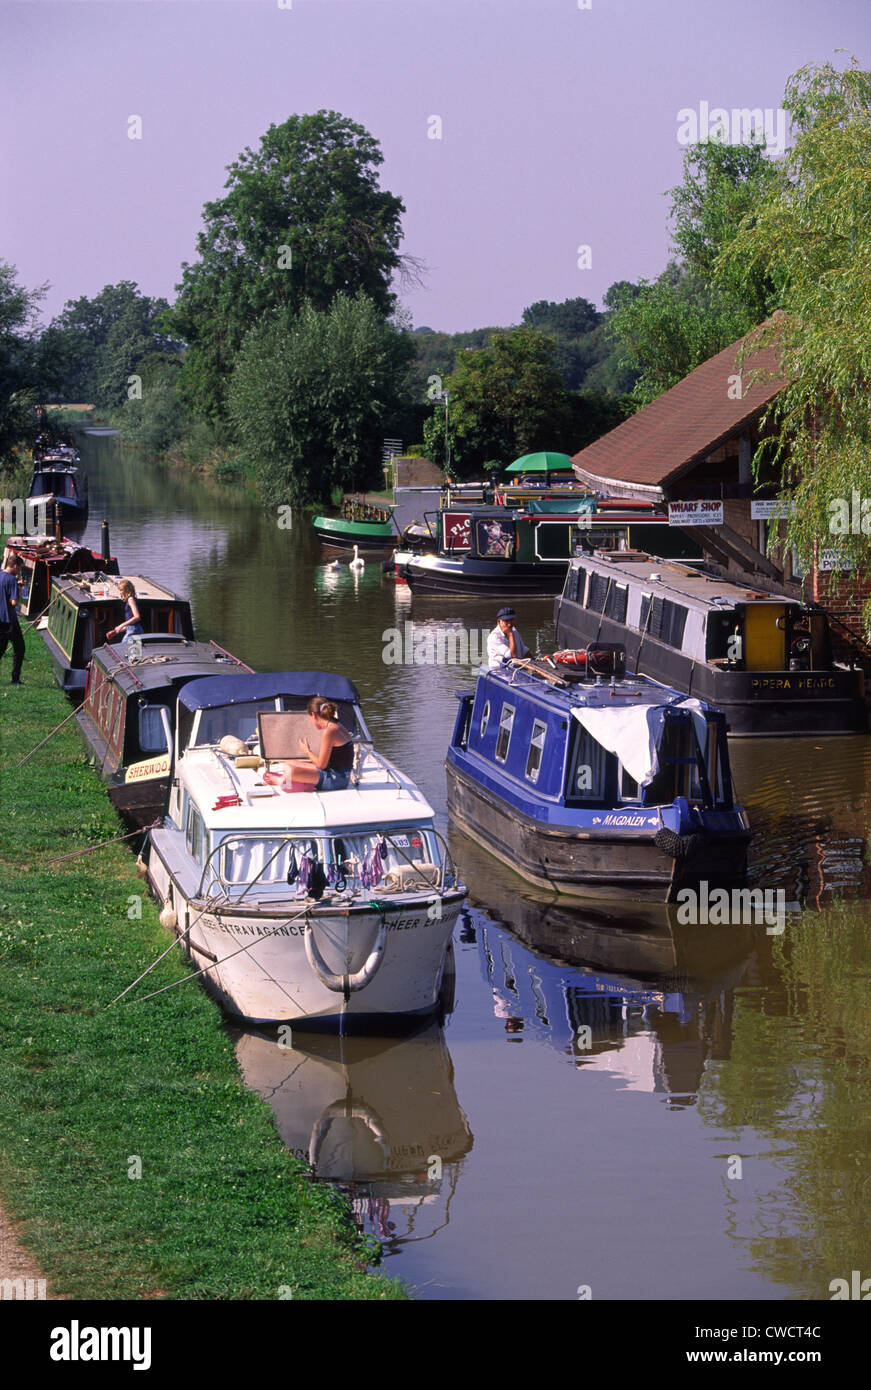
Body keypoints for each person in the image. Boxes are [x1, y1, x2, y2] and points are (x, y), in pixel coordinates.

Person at [264, 697, 355, 793]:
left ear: (314, 715)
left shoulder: (329, 731)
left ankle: (281, 781)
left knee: (290, 770)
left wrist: (307, 751)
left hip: (337, 779)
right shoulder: (337, 725)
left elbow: (321, 765)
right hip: (337, 773)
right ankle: (296, 781)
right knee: (288, 763)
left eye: (310, 719)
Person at [0, 553, 25, 685]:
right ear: (15, 566)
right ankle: (15, 679)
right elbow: (14, 602)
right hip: (9, 621)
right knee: (19, 649)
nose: (19, 571)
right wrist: (18, 592)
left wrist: (16, 585)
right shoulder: (12, 580)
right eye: (19, 568)